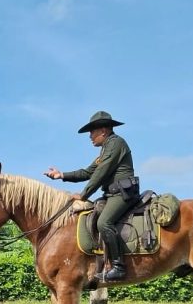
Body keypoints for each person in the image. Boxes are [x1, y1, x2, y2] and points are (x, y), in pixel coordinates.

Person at [44, 111, 138, 282]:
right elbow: (88, 172)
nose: (90, 136)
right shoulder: (105, 150)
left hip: (122, 194)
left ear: (103, 131)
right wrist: (62, 175)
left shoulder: (116, 144)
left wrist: (83, 194)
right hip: (111, 194)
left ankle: (118, 267)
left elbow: (101, 173)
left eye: (92, 132)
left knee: (104, 222)